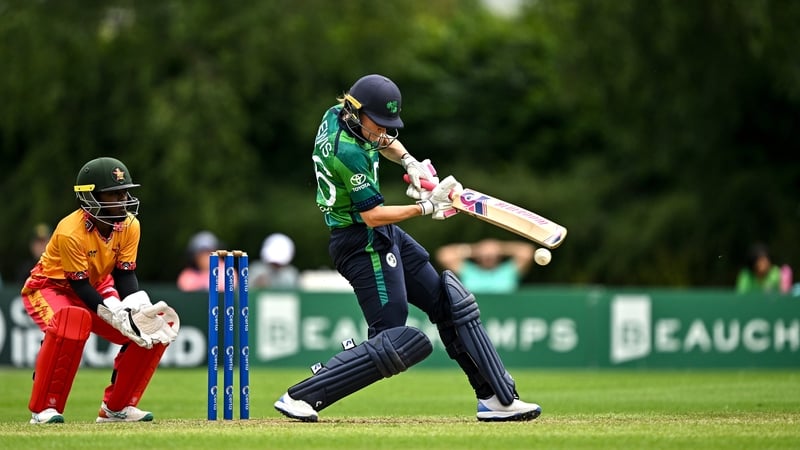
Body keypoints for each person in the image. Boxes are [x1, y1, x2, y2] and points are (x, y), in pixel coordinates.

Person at [273, 74, 541, 423]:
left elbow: (383, 141)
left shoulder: (338, 115)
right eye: (377, 122)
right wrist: (426, 207)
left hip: (384, 234)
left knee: (450, 304)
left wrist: (410, 163)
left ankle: (495, 398)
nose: (382, 130)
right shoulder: (347, 153)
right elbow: (371, 216)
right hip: (360, 242)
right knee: (396, 338)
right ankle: (302, 396)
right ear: (356, 113)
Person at [20, 156, 179, 424]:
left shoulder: (130, 225)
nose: (123, 199)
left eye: (124, 192)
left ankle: (116, 408)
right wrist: (113, 312)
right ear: (91, 197)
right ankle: (44, 409)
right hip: (51, 286)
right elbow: (78, 284)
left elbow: (125, 273)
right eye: (114, 194)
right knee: (70, 323)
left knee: (149, 327)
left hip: (96, 285)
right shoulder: (70, 231)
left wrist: (133, 308)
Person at [436, 238, 535, 294]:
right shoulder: (468, 271)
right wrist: (475, 250)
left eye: (491, 256)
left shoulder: (508, 271)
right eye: (486, 256)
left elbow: (527, 252)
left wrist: (499, 248)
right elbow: (444, 255)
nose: (488, 257)